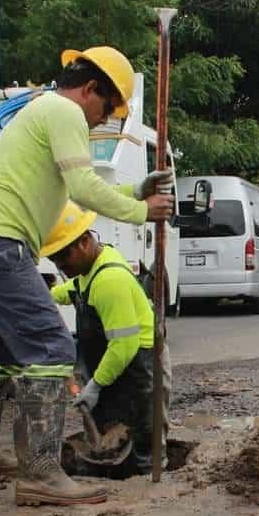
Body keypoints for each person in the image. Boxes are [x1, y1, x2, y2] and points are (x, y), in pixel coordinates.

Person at [0, 46, 174, 506]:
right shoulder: (64, 112)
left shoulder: (44, 112)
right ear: (90, 89)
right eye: (107, 108)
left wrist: (135, 189)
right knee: (52, 348)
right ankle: (40, 474)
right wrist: (142, 210)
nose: (103, 120)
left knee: (0, 354)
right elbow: (83, 187)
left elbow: (78, 192)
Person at [41, 201, 168, 479]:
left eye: (63, 257)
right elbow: (74, 290)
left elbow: (125, 346)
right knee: (113, 428)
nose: (60, 264)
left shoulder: (109, 280)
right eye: (54, 260)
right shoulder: (89, 271)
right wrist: (45, 297)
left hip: (139, 367)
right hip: (116, 366)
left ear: (84, 242)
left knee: (144, 438)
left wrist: (95, 385)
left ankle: (150, 490)